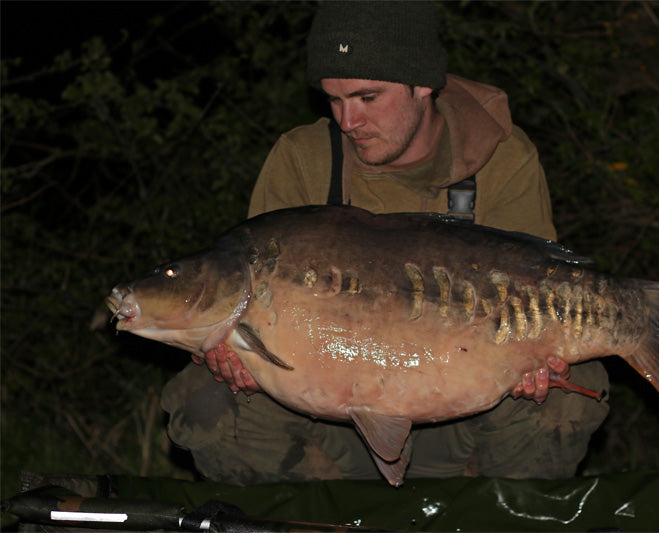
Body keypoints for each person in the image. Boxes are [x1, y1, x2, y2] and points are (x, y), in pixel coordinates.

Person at [161, 1, 609, 485]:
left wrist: (535, 360)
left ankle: (485, 517)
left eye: (367, 98)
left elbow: (538, 290)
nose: (348, 120)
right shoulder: (301, 159)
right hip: (334, 431)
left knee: (574, 391)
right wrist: (228, 354)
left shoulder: (503, 160)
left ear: (423, 85)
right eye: (334, 100)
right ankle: (327, 518)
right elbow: (251, 303)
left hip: (469, 419)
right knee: (201, 400)